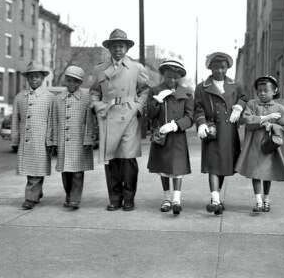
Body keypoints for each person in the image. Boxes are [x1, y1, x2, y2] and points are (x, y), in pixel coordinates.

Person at [90, 28, 149, 211]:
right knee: (112, 160)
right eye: (114, 46)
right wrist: (98, 106)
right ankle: (114, 198)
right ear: (109, 48)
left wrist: (137, 106)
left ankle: (129, 198)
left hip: (129, 115)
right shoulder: (100, 69)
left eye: (121, 46)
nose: (118, 49)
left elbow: (145, 89)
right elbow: (94, 92)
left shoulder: (136, 68)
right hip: (108, 115)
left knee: (128, 160)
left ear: (127, 48)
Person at [194, 52, 247, 215]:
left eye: (223, 67)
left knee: (223, 165)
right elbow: (198, 108)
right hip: (212, 130)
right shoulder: (202, 87)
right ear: (210, 67)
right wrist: (201, 123)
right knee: (213, 165)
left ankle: (216, 197)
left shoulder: (235, 85)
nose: (219, 70)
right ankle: (215, 199)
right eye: (216, 67)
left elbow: (244, 98)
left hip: (229, 131)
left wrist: (239, 106)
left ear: (227, 67)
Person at [235, 76, 284, 213]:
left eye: (265, 90)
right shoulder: (252, 105)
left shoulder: (280, 108)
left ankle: (266, 200)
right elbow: (247, 121)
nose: (262, 93)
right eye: (259, 90)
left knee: (267, 173)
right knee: (255, 173)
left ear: (274, 91)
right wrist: (262, 120)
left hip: (270, 148)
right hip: (255, 146)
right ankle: (258, 202)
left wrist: (272, 126)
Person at [147, 59, 193, 215]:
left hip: (177, 136)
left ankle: (176, 200)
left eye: (175, 77)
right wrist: (158, 100)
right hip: (161, 136)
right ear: (163, 75)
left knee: (177, 168)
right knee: (163, 168)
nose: (171, 80)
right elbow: (150, 114)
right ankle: (166, 198)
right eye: (168, 76)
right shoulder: (154, 91)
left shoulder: (187, 93)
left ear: (179, 77)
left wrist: (176, 125)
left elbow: (190, 117)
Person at [11, 61, 55, 210]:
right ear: (27, 78)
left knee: (36, 169)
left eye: (37, 76)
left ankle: (30, 198)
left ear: (42, 78)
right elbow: (15, 119)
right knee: (32, 170)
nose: (34, 79)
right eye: (31, 77)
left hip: (41, 139)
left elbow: (52, 120)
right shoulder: (20, 97)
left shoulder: (49, 97)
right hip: (26, 140)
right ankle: (37, 193)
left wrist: (51, 140)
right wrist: (15, 138)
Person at [53, 65, 95, 210]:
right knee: (66, 173)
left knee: (77, 172)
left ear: (80, 83)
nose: (72, 84)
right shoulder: (58, 99)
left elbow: (89, 121)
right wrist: (53, 140)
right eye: (69, 80)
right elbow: (54, 120)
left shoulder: (86, 99)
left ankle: (75, 199)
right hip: (63, 141)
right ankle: (68, 195)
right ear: (65, 80)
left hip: (79, 141)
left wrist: (88, 138)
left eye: (75, 81)